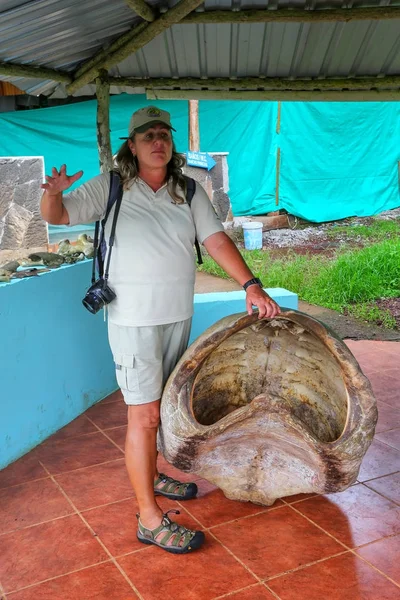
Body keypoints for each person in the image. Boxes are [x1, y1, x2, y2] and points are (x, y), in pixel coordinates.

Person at [40, 105, 281, 554]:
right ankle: (149, 519)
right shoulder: (110, 185)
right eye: (147, 135)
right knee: (144, 415)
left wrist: (251, 285)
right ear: (131, 145)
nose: (158, 142)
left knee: (163, 405)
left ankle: (152, 474)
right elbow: (59, 216)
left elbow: (215, 240)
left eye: (164, 135)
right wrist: (53, 193)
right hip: (132, 321)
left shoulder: (187, 190)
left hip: (177, 316)